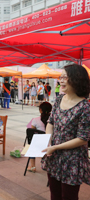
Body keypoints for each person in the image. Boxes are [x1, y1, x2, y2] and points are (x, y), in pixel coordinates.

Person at [41, 64, 90, 200]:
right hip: (54, 156)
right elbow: (50, 122)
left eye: (65, 77)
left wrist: (55, 146)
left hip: (72, 160)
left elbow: (83, 138)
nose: (61, 80)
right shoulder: (58, 100)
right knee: (54, 194)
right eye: (60, 77)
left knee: (69, 196)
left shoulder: (85, 107)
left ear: (76, 79)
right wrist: (49, 140)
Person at [27, 102, 52, 172]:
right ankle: (48, 165)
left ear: (40, 110)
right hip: (50, 145)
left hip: (39, 145)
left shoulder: (35, 120)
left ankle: (32, 167)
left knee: (32, 144)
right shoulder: (54, 120)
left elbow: (32, 134)